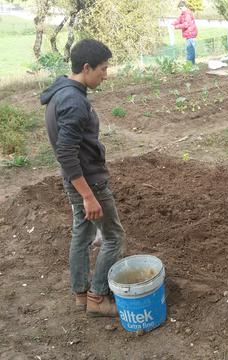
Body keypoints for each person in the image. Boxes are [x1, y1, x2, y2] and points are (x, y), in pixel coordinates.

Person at [40, 39, 125, 317]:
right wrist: (88, 195)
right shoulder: (74, 101)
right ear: (86, 67)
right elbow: (66, 153)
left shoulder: (61, 90)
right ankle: (97, 297)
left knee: (83, 232)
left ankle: (80, 292)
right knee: (113, 237)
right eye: (103, 69)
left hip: (76, 179)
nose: (106, 74)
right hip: (88, 181)